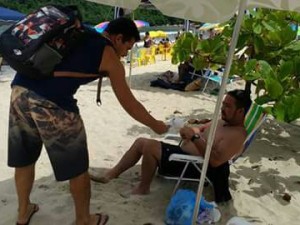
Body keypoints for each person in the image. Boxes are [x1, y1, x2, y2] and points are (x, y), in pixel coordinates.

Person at [8, 17, 168, 225]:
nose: (126, 53)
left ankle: (23, 212)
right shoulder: (109, 55)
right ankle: (84, 219)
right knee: (77, 166)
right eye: (128, 47)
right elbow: (130, 104)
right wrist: (156, 125)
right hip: (52, 102)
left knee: (25, 158)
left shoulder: (82, 33)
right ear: (118, 38)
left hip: (19, 90)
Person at [90, 89, 251, 203]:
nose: (222, 108)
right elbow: (201, 128)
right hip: (186, 153)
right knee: (140, 142)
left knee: (150, 146)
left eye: (228, 106)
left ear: (240, 111)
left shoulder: (237, 135)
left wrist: (194, 138)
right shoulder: (223, 121)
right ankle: (112, 174)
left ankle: (143, 188)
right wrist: (191, 131)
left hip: (194, 166)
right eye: (223, 104)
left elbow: (215, 160)